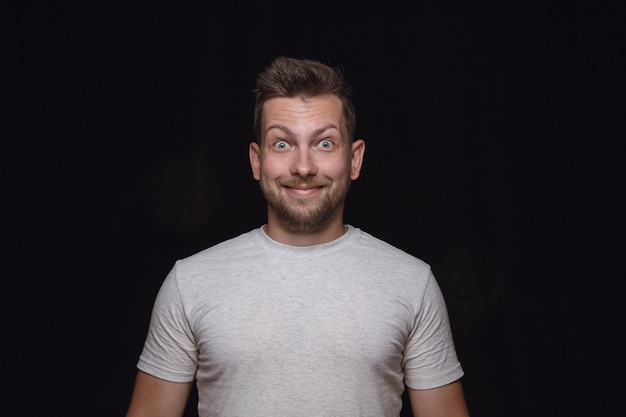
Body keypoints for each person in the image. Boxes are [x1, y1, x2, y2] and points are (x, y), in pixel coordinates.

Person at [126, 56, 470, 417]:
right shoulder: (190, 282)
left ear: (354, 160)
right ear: (257, 161)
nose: (303, 167)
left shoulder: (412, 282)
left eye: (324, 144)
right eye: (282, 144)